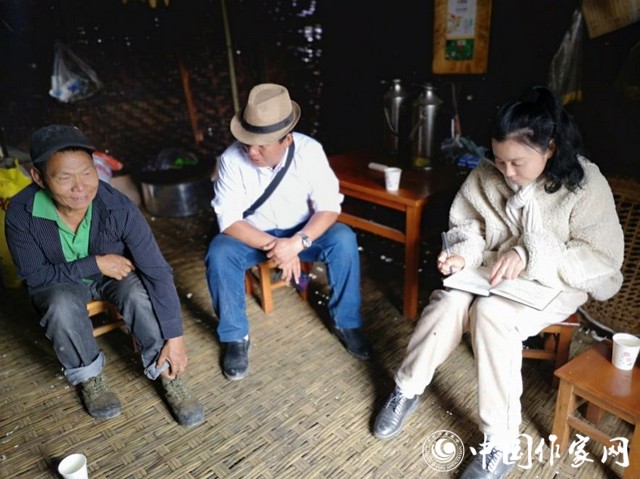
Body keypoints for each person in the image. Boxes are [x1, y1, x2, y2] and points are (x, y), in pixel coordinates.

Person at [372, 86, 624, 478]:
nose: (506, 171)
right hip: (490, 271)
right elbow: (468, 226)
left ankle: (501, 444)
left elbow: (603, 260)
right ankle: (407, 389)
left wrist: (529, 254)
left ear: (550, 148)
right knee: (447, 302)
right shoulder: (489, 171)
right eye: (499, 158)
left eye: (517, 162)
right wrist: (462, 255)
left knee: (492, 315)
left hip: (553, 281)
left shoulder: (585, 183)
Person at [4, 125, 204, 427]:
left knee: (138, 293)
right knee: (59, 306)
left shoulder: (117, 207)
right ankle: (90, 377)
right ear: (39, 177)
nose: (80, 187)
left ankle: (167, 372)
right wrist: (95, 263)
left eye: (87, 173)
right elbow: (35, 278)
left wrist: (175, 338)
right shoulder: (21, 213)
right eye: (64, 178)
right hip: (61, 283)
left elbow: (157, 271)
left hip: (115, 275)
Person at [205, 83, 370, 381]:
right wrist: (280, 247)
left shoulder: (310, 151)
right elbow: (229, 220)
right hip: (255, 235)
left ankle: (346, 322)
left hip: (302, 231)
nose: (251, 151)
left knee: (344, 239)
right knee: (219, 252)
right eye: (247, 142)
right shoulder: (231, 159)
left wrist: (297, 243)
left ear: (287, 139)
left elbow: (329, 207)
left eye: (261, 145)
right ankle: (235, 336)